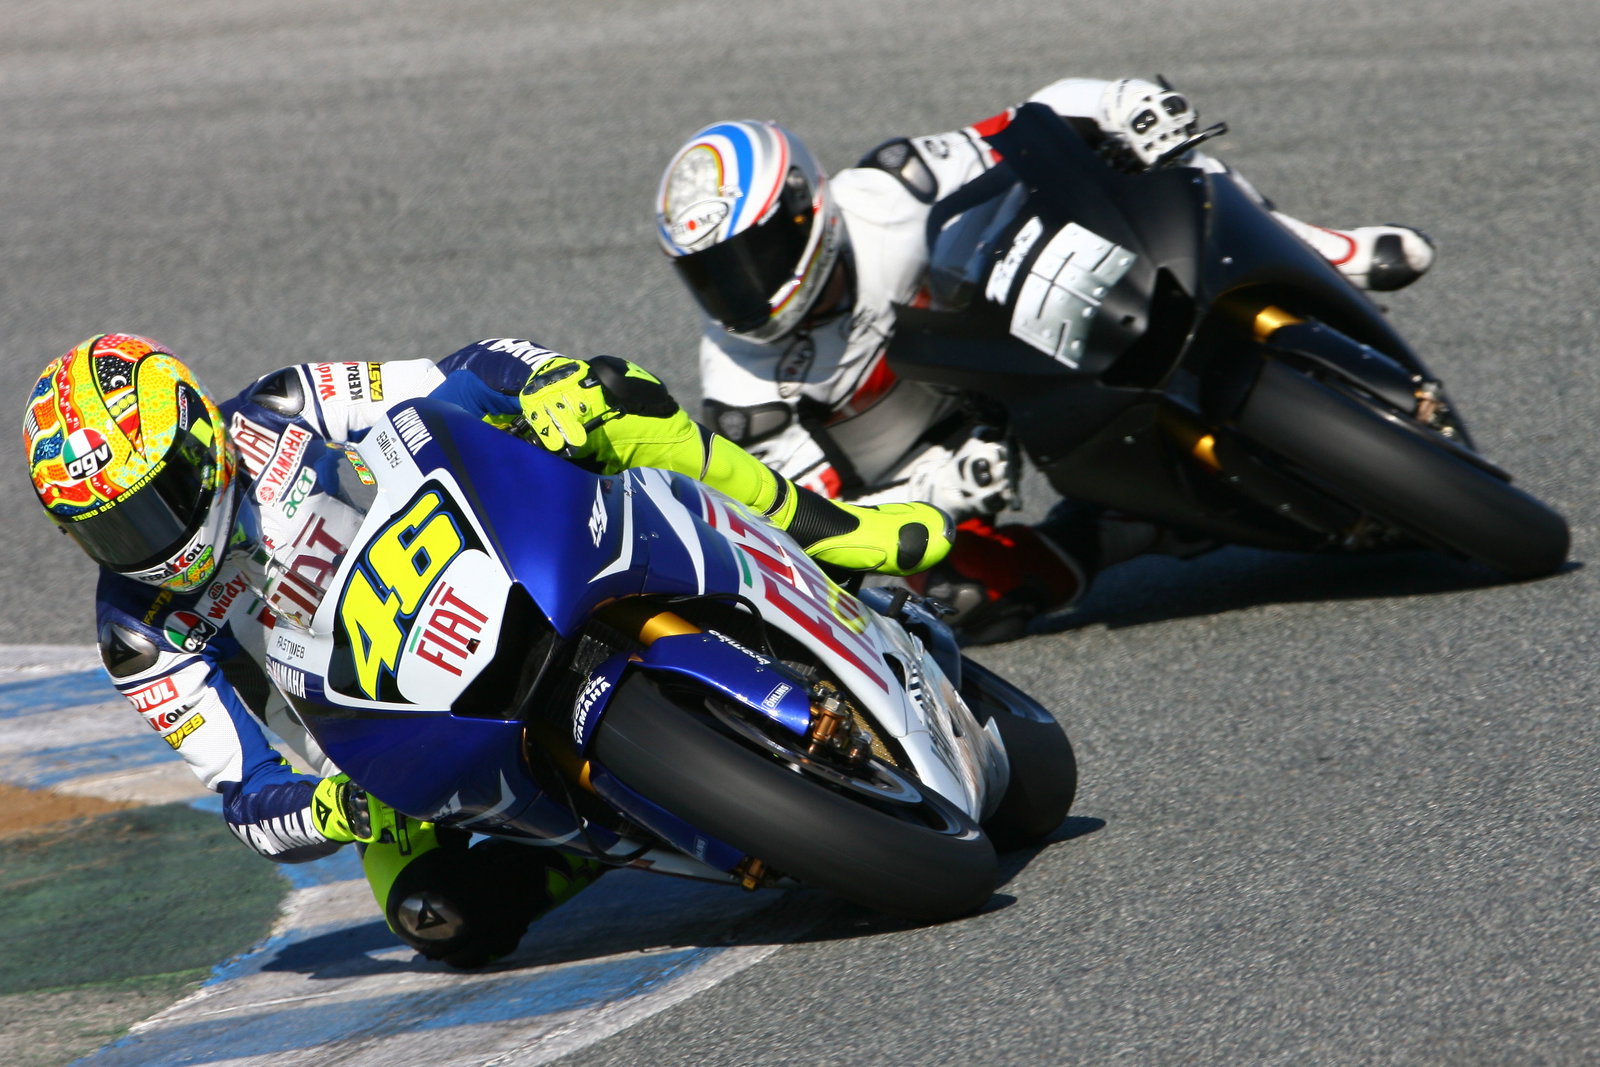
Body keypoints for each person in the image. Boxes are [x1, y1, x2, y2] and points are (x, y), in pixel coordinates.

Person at [23, 332, 951, 968]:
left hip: (476, 563)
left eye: (153, 502)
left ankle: (831, 532)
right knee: (437, 918)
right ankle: (593, 843)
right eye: (109, 532)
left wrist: (543, 383)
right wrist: (334, 808)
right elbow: (250, 798)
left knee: (608, 395)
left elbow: (462, 370)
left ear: (198, 434)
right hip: (379, 737)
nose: (144, 542)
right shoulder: (138, 633)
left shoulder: (282, 406)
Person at [654, 76, 1438, 643]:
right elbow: (806, 518)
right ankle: (1127, 529)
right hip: (947, 453)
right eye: (714, 275)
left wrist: (1121, 104)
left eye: (755, 257)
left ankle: (1318, 248)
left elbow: (1027, 125)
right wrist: (942, 489)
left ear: (806, 208)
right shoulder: (740, 382)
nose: (741, 292)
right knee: (960, 602)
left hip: (1016, 321)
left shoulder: (890, 187)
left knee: (1152, 158)